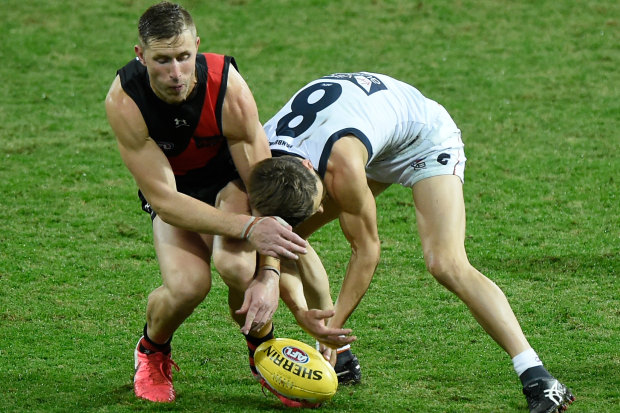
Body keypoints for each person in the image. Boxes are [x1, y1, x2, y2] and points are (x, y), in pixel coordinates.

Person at [247, 72, 576, 413]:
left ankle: (538, 377)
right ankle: (339, 357)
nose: (321, 207)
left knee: (446, 263)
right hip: (366, 133)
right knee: (287, 238)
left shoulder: (340, 167)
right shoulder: (258, 165)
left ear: (307, 167)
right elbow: (276, 246)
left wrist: (331, 326)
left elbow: (367, 250)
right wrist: (303, 314)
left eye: (321, 198)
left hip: (423, 138)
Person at [104, 1, 323, 404]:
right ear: (141, 55)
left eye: (184, 57)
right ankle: (152, 350)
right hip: (179, 194)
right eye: (162, 60)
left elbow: (262, 184)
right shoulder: (125, 101)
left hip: (231, 182)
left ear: (198, 47)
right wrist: (249, 229)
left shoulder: (228, 87)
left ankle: (263, 351)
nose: (175, 73)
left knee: (239, 266)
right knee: (189, 287)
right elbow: (166, 200)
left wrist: (269, 273)